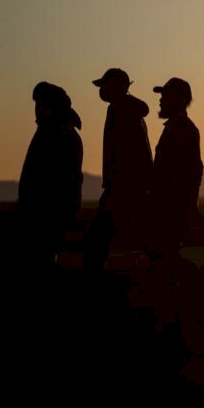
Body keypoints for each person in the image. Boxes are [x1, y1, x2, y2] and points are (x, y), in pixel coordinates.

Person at [83, 68, 152, 270]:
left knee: (97, 239)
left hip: (124, 189)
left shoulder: (121, 110)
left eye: (105, 85)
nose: (102, 90)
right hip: (129, 188)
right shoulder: (126, 109)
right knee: (145, 239)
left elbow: (125, 153)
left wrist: (114, 186)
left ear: (117, 86)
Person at [17, 82, 84, 266]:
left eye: (45, 106)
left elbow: (67, 180)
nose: (39, 110)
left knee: (42, 261)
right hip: (35, 213)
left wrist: (58, 214)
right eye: (38, 105)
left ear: (57, 107)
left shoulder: (62, 135)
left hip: (47, 215)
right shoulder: (46, 130)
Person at [150, 78, 204, 259]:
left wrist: (189, 207)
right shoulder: (175, 127)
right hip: (168, 205)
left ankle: (202, 284)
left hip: (172, 207)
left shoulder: (181, 129)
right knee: (164, 256)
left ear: (180, 99)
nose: (160, 100)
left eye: (165, 95)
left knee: (165, 257)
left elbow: (193, 172)